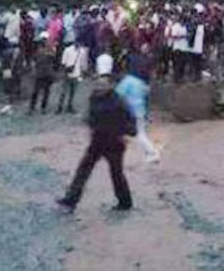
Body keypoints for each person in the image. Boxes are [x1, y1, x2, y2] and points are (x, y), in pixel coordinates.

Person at [57, 54, 136, 212]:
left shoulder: (117, 102)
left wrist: (125, 133)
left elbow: (130, 120)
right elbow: (90, 116)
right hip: (98, 141)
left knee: (116, 174)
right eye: (98, 84)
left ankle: (125, 202)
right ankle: (70, 200)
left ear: (110, 86)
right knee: (84, 170)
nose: (99, 87)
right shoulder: (96, 98)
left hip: (113, 143)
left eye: (102, 85)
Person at [114, 60, 161, 163]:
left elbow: (117, 95)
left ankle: (152, 152)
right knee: (138, 133)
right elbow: (147, 96)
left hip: (130, 112)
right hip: (140, 111)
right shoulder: (141, 83)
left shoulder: (127, 81)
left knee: (139, 134)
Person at [29, 33, 56, 114]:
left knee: (46, 91)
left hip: (47, 73)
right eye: (43, 39)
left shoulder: (50, 49)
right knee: (35, 91)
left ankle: (43, 108)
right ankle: (32, 108)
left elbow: (53, 57)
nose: (44, 41)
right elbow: (34, 60)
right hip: (39, 73)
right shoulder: (38, 49)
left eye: (45, 39)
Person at [56, 42, 87, 114]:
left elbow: (82, 64)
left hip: (75, 74)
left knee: (71, 92)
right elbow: (63, 62)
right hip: (69, 74)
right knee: (65, 92)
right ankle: (62, 106)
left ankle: (66, 106)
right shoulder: (68, 50)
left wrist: (82, 73)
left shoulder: (81, 51)